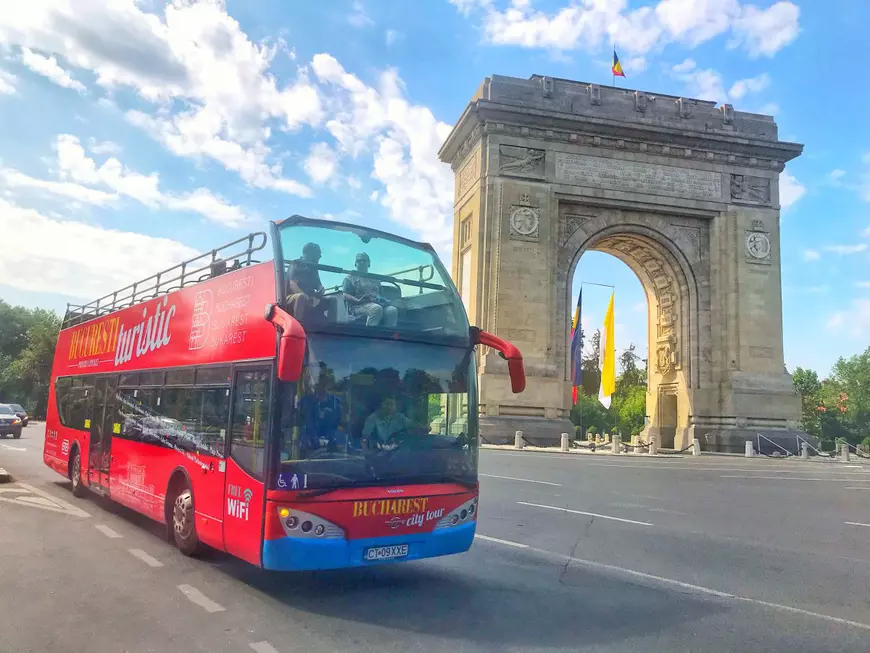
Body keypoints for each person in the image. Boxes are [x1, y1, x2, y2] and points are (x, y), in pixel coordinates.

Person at [342, 252, 399, 327]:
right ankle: (370, 334)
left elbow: (381, 293)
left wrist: (383, 300)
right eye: (359, 261)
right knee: (376, 309)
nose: (362, 262)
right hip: (359, 306)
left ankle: (389, 336)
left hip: (376, 303)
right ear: (355, 264)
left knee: (392, 310)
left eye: (364, 260)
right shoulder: (350, 278)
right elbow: (345, 295)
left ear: (369, 264)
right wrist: (358, 301)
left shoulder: (374, 278)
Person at [286, 242, 331, 323]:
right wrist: (306, 297)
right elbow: (292, 284)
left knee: (332, 300)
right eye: (318, 253)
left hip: (311, 298)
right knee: (301, 297)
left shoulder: (314, 268)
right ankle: (298, 328)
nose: (320, 256)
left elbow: (318, 285)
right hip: (292, 297)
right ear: (309, 253)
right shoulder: (297, 264)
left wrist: (321, 289)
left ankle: (334, 327)